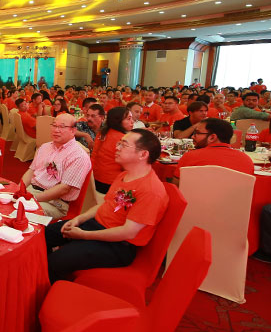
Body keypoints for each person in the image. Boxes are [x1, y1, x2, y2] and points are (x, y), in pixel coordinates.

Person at [45, 129, 169, 283]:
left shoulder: (151, 190)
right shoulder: (124, 175)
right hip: (97, 225)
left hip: (118, 245)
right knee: (45, 235)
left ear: (143, 154)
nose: (117, 147)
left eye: (123, 145)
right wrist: (78, 219)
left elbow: (128, 232)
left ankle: (53, 290)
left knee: (56, 261)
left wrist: (83, 235)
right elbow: (105, 204)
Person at [20, 113, 92, 219]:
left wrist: (33, 198)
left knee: (20, 213)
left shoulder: (78, 156)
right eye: (54, 125)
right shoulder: (45, 147)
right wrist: (19, 190)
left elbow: (64, 189)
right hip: (31, 191)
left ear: (73, 130)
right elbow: (31, 171)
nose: (56, 130)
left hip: (55, 203)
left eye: (62, 127)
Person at [173, 118, 254, 179]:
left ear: (212, 137)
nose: (192, 137)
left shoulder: (190, 156)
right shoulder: (246, 160)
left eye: (197, 133)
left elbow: (178, 185)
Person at [91, 107, 134, 194]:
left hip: (94, 179)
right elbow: (126, 166)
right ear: (118, 121)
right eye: (128, 119)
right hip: (111, 182)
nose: (132, 121)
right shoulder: (122, 138)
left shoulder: (102, 133)